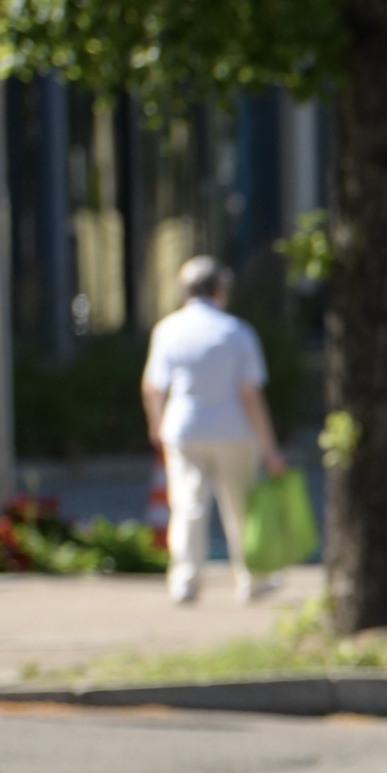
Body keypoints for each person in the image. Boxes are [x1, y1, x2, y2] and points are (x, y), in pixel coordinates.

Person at [141, 256, 286, 605]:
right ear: (219, 290)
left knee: (188, 506)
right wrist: (269, 447)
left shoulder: (168, 329)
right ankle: (251, 579)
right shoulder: (236, 331)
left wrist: (157, 426)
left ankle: (185, 581)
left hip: (185, 429)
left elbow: (153, 387)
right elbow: (250, 395)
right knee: (240, 509)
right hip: (234, 431)